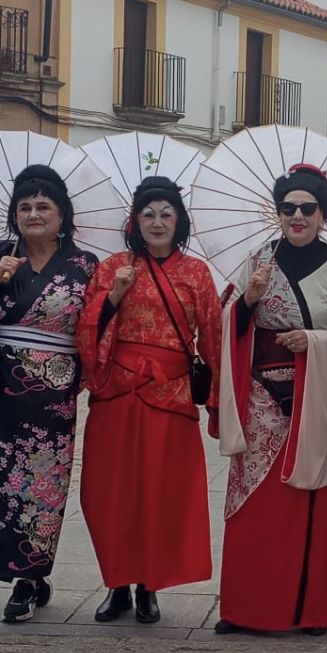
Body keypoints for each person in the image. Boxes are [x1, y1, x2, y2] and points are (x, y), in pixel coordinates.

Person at [215, 165, 327, 635]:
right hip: (261, 397)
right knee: (255, 502)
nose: (298, 216)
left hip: (315, 397)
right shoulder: (259, 259)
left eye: (308, 208)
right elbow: (230, 322)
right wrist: (247, 301)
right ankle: (247, 605)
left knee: (311, 500)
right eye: (288, 208)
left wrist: (314, 341)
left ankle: (310, 606)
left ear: (323, 214)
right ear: (278, 212)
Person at [0, 164, 101, 622]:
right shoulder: (0, 256)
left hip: (49, 398)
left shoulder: (84, 266)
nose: (34, 215)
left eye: (44, 206)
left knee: (40, 489)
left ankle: (29, 577)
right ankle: (6, 567)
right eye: (25, 207)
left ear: (62, 214)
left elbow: (94, 327)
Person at [77, 176, 221, 623]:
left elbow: (213, 339)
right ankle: (116, 583)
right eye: (148, 214)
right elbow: (86, 330)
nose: (157, 223)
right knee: (109, 492)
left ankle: (149, 585)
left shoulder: (196, 273)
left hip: (171, 395)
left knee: (161, 493)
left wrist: (219, 398)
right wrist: (114, 295)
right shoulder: (112, 267)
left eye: (166, 214)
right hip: (117, 392)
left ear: (179, 221)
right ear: (134, 221)